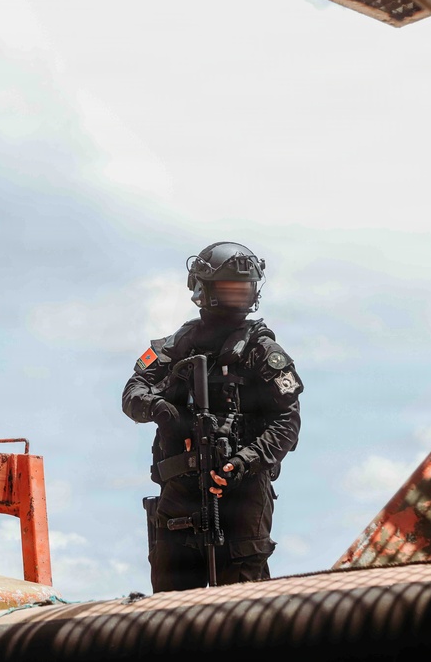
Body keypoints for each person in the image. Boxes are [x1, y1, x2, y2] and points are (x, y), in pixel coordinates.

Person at [122, 241, 301, 592]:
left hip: (243, 493)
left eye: (244, 288)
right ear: (203, 289)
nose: (238, 296)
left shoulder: (263, 351)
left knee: (243, 607)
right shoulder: (175, 346)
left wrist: (241, 462)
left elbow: (287, 423)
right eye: (228, 288)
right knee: (170, 609)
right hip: (181, 492)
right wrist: (163, 410)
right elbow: (132, 393)